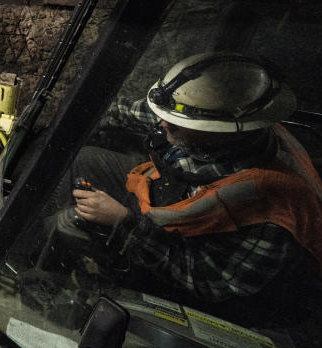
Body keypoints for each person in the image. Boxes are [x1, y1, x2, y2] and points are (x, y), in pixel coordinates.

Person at [71, 53, 322, 308]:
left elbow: (211, 282)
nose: (162, 124)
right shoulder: (218, 123)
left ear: (220, 130)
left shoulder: (274, 206)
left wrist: (124, 222)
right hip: (172, 194)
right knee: (86, 159)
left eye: (177, 124)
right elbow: (128, 112)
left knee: (69, 227)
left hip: (207, 287)